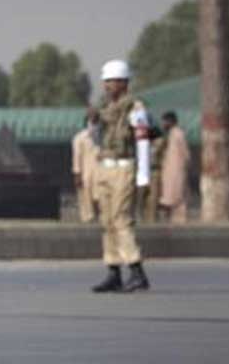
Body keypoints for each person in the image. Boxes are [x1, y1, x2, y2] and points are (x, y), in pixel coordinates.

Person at [90, 60, 150, 293]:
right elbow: (95, 139)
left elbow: (142, 142)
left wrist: (143, 176)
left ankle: (136, 271)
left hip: (124, 167)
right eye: (105, 81)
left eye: (112, 81)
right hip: (105, 166)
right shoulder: (105, 109)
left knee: (121, 219)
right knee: (106, 221)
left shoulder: (136, 108)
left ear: (124, 83)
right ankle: (113, 270)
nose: (107, 86)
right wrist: (94, 122)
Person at [159, 111, 190, 224]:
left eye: (165, 122)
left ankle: (180, 221)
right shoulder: (170, 134)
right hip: (169, 170)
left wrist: (183, 167)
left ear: (170, 121)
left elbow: (185, 154)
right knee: (169, 196)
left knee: (178, 195)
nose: (163, 124)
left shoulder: (178, 134)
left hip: (177, 170)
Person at [72, 113, 100, 223]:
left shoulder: (102, 138)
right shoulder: (79, 138)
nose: (94, 125)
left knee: (99, 197)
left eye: (96, 122)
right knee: (85, 197)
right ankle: (87, 218)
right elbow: (76, 157)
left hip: (100, 173)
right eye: (92, 122)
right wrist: (77, 173)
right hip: (85, 173)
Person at [137, 126, 166, 223]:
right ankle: (142, 215)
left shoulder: (159, 142)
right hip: (145, 170)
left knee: (153, 196)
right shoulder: (144, 143)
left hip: (154, 170)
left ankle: (151, 217)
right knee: (143, 195)